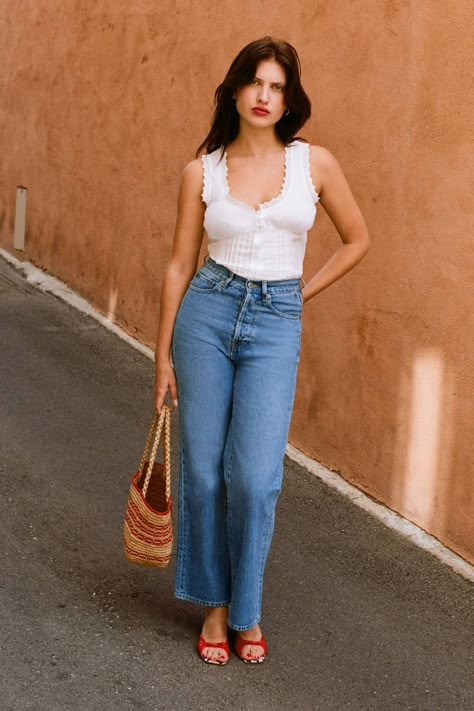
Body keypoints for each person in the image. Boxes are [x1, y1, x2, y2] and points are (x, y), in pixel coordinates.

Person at [154, 36, 369, 666]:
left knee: (253, 478)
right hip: (207, 312)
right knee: (201, 468)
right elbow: (177, 266)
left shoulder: (314, 164)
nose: (265, 96)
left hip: (276, 320)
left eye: (277, 86)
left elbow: (357, 239)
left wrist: (303, 293)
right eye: (255, 83)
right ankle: (218, 609)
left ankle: (247, 604)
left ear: (289, 96)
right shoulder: (203, 171)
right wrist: (160, 356)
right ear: (236, 90)